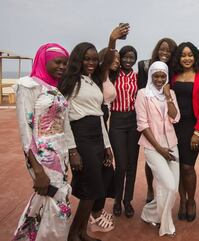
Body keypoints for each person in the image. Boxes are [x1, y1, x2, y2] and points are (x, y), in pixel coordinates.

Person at [59, 25, 127, 241]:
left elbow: (99, 116)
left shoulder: (93, 80)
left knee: (100, 184)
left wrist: (107, 146)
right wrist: (72, 151)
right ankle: (74, 235)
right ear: (78, 60)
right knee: (91, 188)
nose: (91, 63)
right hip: (81, 137)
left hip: (98, 135)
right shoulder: (71, 82)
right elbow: (64, 119)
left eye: (92, 59)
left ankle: (82, 232)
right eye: (86, 59)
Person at [12, 43, 71, 241]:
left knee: (48, 201)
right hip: (42, 156)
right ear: (44, 61)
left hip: (60, 153)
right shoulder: (28, 85)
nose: (62, 66)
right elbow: (25, 130)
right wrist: (36, 169)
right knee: (56, 200)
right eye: (58, 62)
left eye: (65, 63)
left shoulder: (53, 87)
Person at [136, 61, 180, 237]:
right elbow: (142, 125)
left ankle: (149, 212)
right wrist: (159, 148)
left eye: (163, 76)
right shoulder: (142, 94)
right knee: (169, 186)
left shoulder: (171, 93)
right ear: (150, 76)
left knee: (171, 187)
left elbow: (175, 117)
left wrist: (169, 96)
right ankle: (166, 224)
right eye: (156, 76)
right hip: (153, 147)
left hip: (172, 144)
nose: (159, 79)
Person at [171, 42, 199, 222]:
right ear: (178, 58)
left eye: (190, 55)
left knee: (188, 166)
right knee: (177, 167)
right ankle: (181, 201)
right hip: (174, 126)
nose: (186, 58)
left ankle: (191, 201)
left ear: (195, 56)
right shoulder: (174, 76)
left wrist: (198, 131)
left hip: (194, 126)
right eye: (183, 55)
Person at [137, 38, 177, 203]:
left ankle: (167, 193)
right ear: (157, 50)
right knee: (151, 159)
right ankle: (150, 187)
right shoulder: (145, 66)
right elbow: (143, 89)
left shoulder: (175, 69)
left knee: (171, 162)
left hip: (170, 116)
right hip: (148, 114)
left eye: (169, 51)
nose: (165, 53)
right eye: (162, 49)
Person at [85, 47, 121, 232]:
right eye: (113, 58)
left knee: (106, 170)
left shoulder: (108, 76)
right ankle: (94, 216)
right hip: (93, 127)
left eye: (118, 58)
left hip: (103, 124)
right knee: (99, 172)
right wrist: (113, 39)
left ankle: (97, 210)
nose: (117, 61)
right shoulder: (97, 77)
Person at [110, 45, 140, 218]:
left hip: (134, 121)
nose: (128, 60)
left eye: (132, 57)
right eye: (125, 57)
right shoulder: (113, 75)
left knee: (132, 164)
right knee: (121, 164)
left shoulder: (137, 77)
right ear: (120, 58)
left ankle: (127, 201)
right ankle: (116, 199)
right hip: (117, 120)